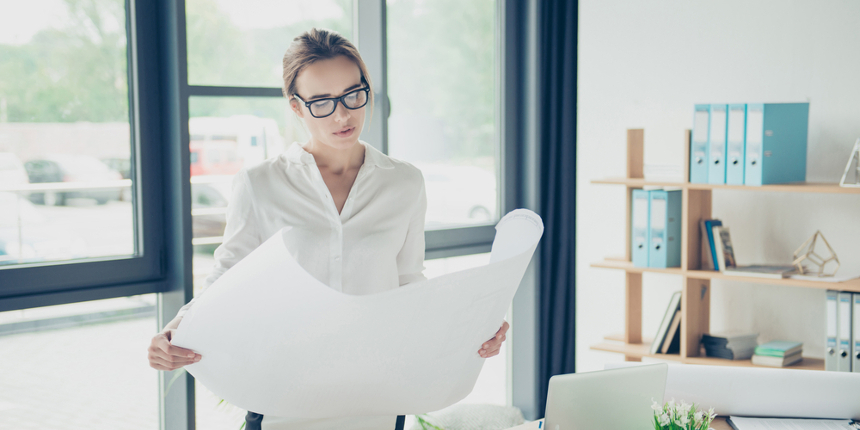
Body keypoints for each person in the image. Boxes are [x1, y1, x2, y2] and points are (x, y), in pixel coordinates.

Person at [147, 28, 509, 430]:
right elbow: (226, 277)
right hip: (283, 395)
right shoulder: (260, 184)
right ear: (296, 107)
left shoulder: (404, 182)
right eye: (321, 102)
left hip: (378, 395)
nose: (343, 115)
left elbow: (410, 282)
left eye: (353, 95)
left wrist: (474, 323)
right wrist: (175, 329)